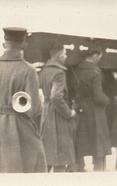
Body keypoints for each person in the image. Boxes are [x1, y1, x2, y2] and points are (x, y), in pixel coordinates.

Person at [0, 27, 47, 173]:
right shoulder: (28, 70)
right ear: (24, 43)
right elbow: (35, 111)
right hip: (21, 131)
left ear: (5, 42)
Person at [39, 43, 76, 172]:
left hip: (46, 113)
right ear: (59, 56)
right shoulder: (59, 72)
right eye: (65, 53)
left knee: (47, 155)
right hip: (58, 116)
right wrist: (69, 113)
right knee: (60, 157)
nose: (66, 56)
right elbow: (56, 97)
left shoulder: (44, 70)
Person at [74, 49, 111, 171]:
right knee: (98, 141)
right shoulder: (95, 71)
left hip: (80, 108)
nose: (100, 58)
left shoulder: (76, 69)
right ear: (94, 55)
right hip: (95, 111)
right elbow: (98, 96)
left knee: (81, 139)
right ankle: (99, 171)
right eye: (100, 56)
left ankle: (80, 167)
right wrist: (108, 101)